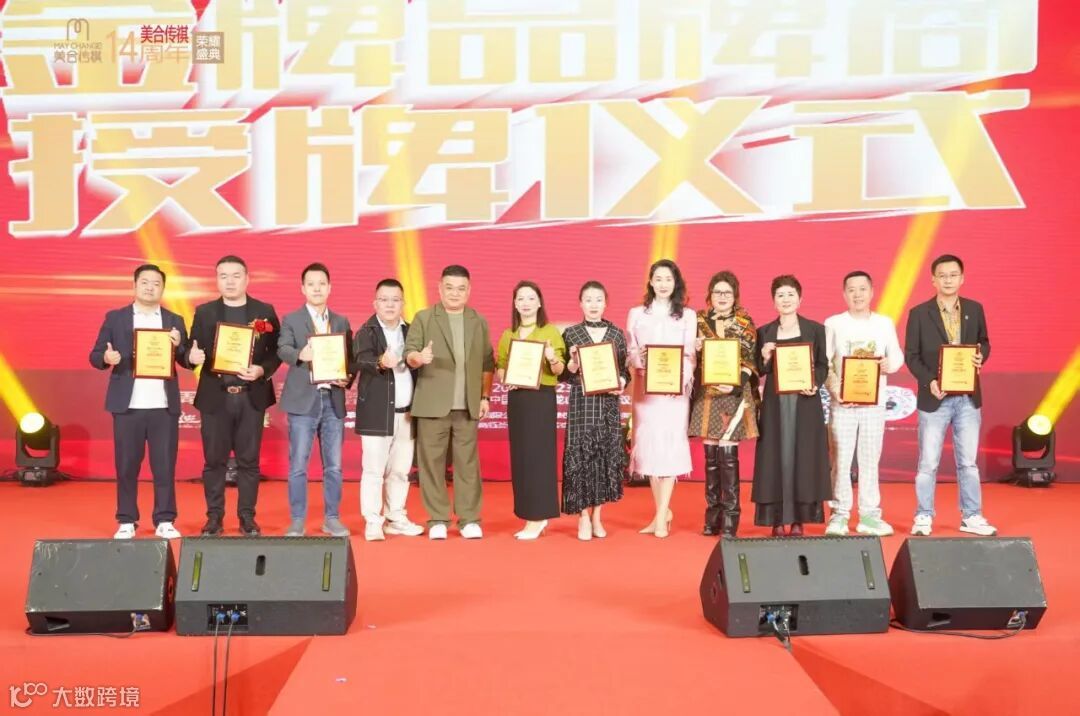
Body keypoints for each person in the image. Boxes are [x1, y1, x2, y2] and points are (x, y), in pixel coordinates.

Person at [89, 264, 189, 539]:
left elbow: (185, 358)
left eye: (156, 283)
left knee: (164, 466)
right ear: (134, 285)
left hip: (163, 405)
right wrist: (106, 358)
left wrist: (181, 346)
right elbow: (95, 355)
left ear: (163, 288)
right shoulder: (115, 318)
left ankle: (165, 519)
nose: (150, 287)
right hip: (128, 405)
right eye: (145, 282)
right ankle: (126, 519)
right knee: (126, 465)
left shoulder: (174, 320)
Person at [187, 255, 281, 536]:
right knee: (214, 461)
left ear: (247, 279)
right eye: (223, 276)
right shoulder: (205, 312)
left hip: (251, 397)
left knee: (249, 462)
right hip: (216, 398)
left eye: (236, 276)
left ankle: (247, 517)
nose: (230, 281)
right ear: (217, 280)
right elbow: (192, 350)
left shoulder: (264, 311)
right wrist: (191, 357)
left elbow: (277, 351)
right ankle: (214, 518)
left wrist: (262, 370)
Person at [905, 254, 996, 536]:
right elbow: (912, 355)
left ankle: (972, 515)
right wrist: (930, 381)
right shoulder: (919, 313)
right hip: (935, 398)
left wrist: (981, 356)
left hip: (968, 398)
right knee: (928, 463)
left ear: (962, 278)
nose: (948, 280)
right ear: (933, 279)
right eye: (942, 275)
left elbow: (984, 343)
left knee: (968, 462)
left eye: (953, 275)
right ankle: (923, 516)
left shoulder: (974, 309)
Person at [404, 265, 495, 540]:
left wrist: (485, 396)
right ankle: (438, 519)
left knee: (468, 465)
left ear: (469, 290)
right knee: (431, 465)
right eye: (449, 287)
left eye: (461, 288)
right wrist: (419, 358)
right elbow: (410, 353)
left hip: (467, 405)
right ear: (440, 288)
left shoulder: (478, 321)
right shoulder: (424, 317)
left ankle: (469, 519)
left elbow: (487, 363)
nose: (455, 293)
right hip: (432, 404)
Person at [823, 271, 904, 537]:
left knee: (870, 460)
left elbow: (897, 356)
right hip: (843, 404)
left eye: (862, 289)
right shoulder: (833, 323)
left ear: (871, 292)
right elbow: (824, 363)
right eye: (851, 290)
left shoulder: (884, 323)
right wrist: (836, 390)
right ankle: (839, 514)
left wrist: (888, 364)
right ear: (844, 294)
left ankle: (869, 515)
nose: (857, 295)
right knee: (840, 460)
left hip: (874, 403)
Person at [752, 275, 831, 536]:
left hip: (805, 402)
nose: (785, 299)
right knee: (776, 457)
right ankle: (776, 519)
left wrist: (815, 383)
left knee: (803, 457)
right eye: (780, 295)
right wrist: (764, 356)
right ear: (773, 301)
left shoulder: (815, 329)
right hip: (776, 405)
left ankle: (799, 519)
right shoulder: (764, 332)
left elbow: (822, 365)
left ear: (800, 299)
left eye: (790, 294)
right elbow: (759, 370)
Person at [277, 263, 352, 538]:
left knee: (334, 466)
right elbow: (282, 348)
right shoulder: (292, 319)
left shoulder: (341, 321)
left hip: (333, 399)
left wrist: (347, 377)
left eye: (322, 284)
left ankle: (332, 518)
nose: (317, 289)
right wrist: (300, 354)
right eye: (311, 284)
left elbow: (349, 358)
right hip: (303, 401)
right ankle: (297, 520)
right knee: (298, 464)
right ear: (303, 288)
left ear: (330, 287)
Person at [626, 259, 696, 539]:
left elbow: (690, 355)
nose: (663, 284)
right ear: (651, 282)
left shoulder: (687, 316)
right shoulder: (636, 314)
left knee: (668, 448)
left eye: (668, 279)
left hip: (674, 393)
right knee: (651, 451)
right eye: (658, 278)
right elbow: (630, 352)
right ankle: (661, 513)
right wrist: (639, 359)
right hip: (646, 392)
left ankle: (661, 516)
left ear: (675, 282)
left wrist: (679, 381)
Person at [352, 278, 425, 541]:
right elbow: (360, 359)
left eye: (395, 300)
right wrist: (380, 362)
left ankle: (396, 517)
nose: (390, 305)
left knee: (400, 471)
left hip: (407, 414)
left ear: (403, 303)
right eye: (384, 300)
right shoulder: (366, 331)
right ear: (375, 303)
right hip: (376, 412)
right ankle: (373, 521)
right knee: (373, 470)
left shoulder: (412, 331)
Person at [689, 271, 759, 537]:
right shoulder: (697, 320)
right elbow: (684, 356)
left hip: (733, 393)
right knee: (711, 457)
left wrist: (736, 384)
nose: (722, 297)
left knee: (728, 456)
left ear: (735, 296)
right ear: (710, 295)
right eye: (717, 292)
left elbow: (750, 359)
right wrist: (694, 347)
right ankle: (713, 515)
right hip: (707, 393)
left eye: (727, 293)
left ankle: (731, 517)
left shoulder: (745, 322)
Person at [496, 281, 566, 540]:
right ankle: (528, 514)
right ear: (515, 304)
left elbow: (559, 370)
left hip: (541, 399)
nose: (525, 303)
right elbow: (501, 366)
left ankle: (539, 516)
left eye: (530, 298)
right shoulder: (508, 334)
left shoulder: (550, 332)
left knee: (539, 457)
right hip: (518, 400)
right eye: (520, 298)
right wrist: (506, 377)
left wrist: (551, 356)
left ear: (539, 303)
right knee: (522, 458)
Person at [561, 280, 630, 541]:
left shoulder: (616, 334)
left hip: (607, 405)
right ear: (580, 303)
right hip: (582, 404)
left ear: (606, 303)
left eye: (598, 299)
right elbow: (564, 376)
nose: (593, 305)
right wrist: (573, 363)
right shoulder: (571, 333)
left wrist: (621, 381)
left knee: (603, 457)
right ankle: (582, 516)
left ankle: (597, 516)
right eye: (588, 299)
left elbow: (624, 371)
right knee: (581, 457)